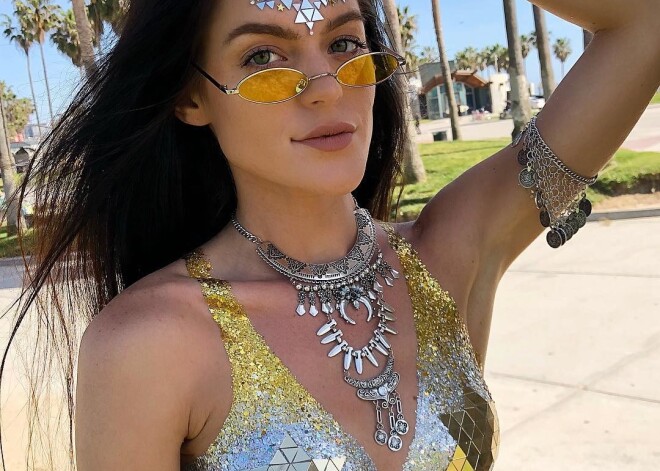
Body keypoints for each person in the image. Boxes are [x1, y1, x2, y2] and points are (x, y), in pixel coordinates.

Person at [2, 0, 658, 470]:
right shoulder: (147, 343)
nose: (325, 88)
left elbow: (643, 23)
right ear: (191, 98)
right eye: (263, 56)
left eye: (343, 43)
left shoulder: (450, 253)